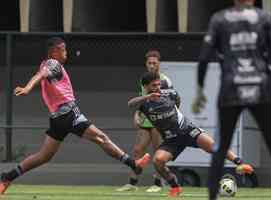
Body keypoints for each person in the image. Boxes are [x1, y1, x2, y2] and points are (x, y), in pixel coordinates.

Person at [0, 37, 150, 194]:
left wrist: (28, 87)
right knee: (101, 138)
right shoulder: (53, 63)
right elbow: (40, 75)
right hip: (69, 113)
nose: (66, 52)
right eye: (63, 49)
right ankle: (133, 164)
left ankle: (7, 177)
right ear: (54, 51)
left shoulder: (48, 64)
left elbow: (40, 74)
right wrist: (27, 88)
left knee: (43, 156)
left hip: (58, 118)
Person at [192, 0, 271, 199]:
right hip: (261, 89)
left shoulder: (219, 19)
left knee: (220, 148)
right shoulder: (267, 18)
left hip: (230, 89)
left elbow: (203, 58)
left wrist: (200, 90)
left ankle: (212, 198)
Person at [128, 72, 254, 197]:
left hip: (187, 130)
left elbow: (177, 101)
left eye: (158, 84)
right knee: (158, 161)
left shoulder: (170, 93)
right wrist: (146, 99)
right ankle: (175, 187)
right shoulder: (144, 103)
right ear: (146, 87)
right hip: (171, 139)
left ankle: (241, 163)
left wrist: (175, 117)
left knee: (213, 146)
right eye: (153, 85)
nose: (157, 88)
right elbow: (130, 104)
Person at [117, 50, 179, 193]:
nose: (151, 65)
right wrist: (137, 114)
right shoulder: (144, 80)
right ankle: (132, 183)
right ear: (146, 64)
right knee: (138, 150)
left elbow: (173, 100)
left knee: (158, 151)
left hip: (160, 120)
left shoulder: (165, 81)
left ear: (159, 64)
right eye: (149, 63)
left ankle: (158, 184)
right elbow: (142, 99)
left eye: (154, 63)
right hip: (146, 119)